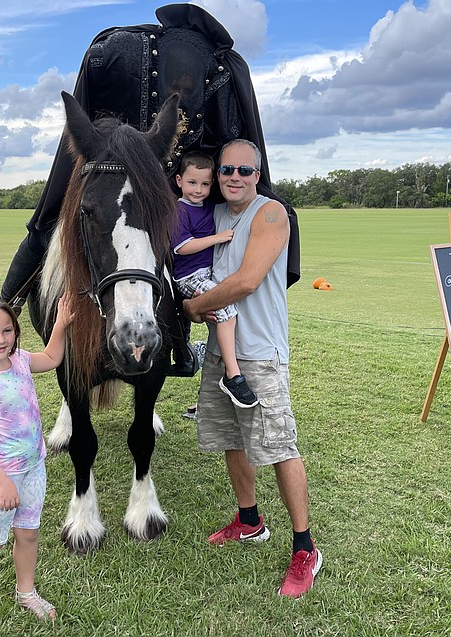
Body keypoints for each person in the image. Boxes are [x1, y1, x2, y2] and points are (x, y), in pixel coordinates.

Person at [183, 139, 320, 599]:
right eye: (226, 170)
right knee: (231, 439)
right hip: (223, 353)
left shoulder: (271, 214)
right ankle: (249, 521)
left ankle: (305, 547)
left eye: (244, 169)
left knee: (279, 446)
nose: (234, 176)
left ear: (257, 174)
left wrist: (191, 307)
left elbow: (247, 280)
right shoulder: (216, 214)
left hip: (260, 353)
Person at [0, 295, 73, 631]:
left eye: (7, 330)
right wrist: (2, 482)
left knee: (29, 534)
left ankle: (26, 591)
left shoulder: (20, 360)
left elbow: (52, 357)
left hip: (34, 467)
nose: (1, 339)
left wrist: (62, 323)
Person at [172, 151, 258, 408]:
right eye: (192, 183)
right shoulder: (178, 210)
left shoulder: (209, 208)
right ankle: (232, 375)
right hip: (188, 277)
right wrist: (218, 238)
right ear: (179, 181)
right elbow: (182, 247)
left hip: (206, 275)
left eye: (205, 184)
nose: (198, 190)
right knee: (228, 312)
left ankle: (207, 366)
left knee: (222, 316)